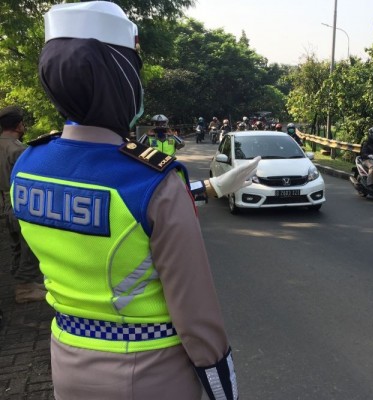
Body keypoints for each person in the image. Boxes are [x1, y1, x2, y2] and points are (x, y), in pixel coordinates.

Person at [11, 2, 259, 398]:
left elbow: (115, 216)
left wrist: (207, 189)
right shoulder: (152, 178)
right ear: (119, 78)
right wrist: (223, 388)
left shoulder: (28, 164)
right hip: (149, 370)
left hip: (67, 356)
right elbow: (197, 322)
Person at [0, 105, 46, 303]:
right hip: (20, 201)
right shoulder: (19, 150)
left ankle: (23, 281)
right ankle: (25, 288)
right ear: (19, 125)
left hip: (4, 202)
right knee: (29, 245)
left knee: (16, 244)